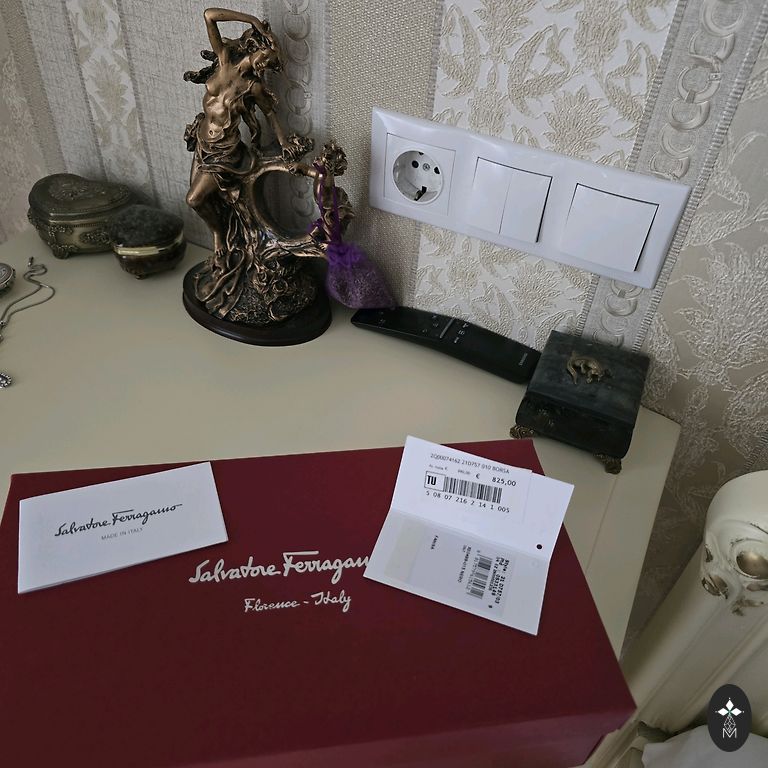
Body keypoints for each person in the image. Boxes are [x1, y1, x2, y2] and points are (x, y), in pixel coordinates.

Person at [184, 8, 312, 255]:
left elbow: (271, 114)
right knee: (204, 201)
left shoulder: (253, 87)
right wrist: (252, 20)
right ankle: (226, 239)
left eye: (270, 63)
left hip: (224, 151)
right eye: (266, 56)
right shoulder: (223, 60)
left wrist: (284, 142)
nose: (265, 64)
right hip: (202, 141)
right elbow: (209, 15)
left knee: (194, 199)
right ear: (256, 47)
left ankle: (218, 234)